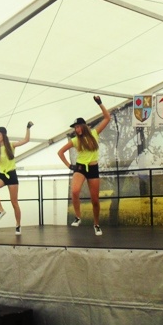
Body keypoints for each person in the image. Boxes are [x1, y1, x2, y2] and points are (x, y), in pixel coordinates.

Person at [58, 96, 111, 236]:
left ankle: (96, 224)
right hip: (80, 167)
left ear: (83, 126)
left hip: (93, 168)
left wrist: (100, 103)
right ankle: (78, 217)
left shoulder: (94, 133)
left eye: (78, 126)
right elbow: (60, 152)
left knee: (95, 200)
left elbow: (107, 118)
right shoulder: (75, 140)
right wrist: (69, 166)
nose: (76, 129)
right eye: (75, 128)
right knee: (75, 191)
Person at [0, 122, 33, 235]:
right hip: (2, 174)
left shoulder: (11, 145)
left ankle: (18, 225)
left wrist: (28, 128)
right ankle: (1, 210)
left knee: (14, 202)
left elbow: (26, 140)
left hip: (12, 174)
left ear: (3, 135)